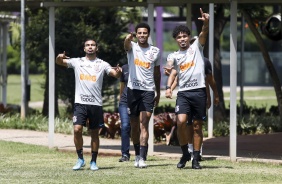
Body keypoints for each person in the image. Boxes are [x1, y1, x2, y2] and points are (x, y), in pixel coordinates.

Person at [55, 39, 122, 171]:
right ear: (84, 48)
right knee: (77, 129)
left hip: (95, 104)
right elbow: (59, 62)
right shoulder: (77, 62)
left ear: (97, 48)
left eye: (92, 45)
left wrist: (118, 72)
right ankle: (80, 159)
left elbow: (114, 74)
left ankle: (93, 161)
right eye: (87, 45)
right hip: (80, 103)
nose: (90, 47)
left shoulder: (102, 64)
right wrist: (59, 57)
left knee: (94, 134)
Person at [165, 8, 210, 169]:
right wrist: (169, 75)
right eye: (179, 37)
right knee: (181, 121)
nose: (182, 39)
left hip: (199, 91)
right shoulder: (174, 55)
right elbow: (170, 65)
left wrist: (206, 23)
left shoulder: (197, 47)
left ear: (189, 37)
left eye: (184, 36)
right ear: (176, 40)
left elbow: (204, 33)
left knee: (197, 126)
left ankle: (196, 158)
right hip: (183, 93)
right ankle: (185, 153)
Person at [124, 22, 161, 168]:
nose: (142, 35)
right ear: (136, 34)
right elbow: (126, 44)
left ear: (148, 34)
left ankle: (142, 158)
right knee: (134, 125)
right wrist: (128, 38)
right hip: (133, 91)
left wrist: (157, 93)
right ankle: (137, 154)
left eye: (144, 33)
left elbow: (157, 74)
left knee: (144, 123)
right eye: (139, 33)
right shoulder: (132, 47)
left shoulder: (155, 51)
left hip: (148, 91)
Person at [118, 64, 131, 162]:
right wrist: (121, 100)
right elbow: (122, 85)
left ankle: (142, 152)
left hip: (139, 101)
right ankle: (125, 154)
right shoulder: (125, 68)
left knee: (139, 126)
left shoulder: (144, 65)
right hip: (124, 102)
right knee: (125, 126)